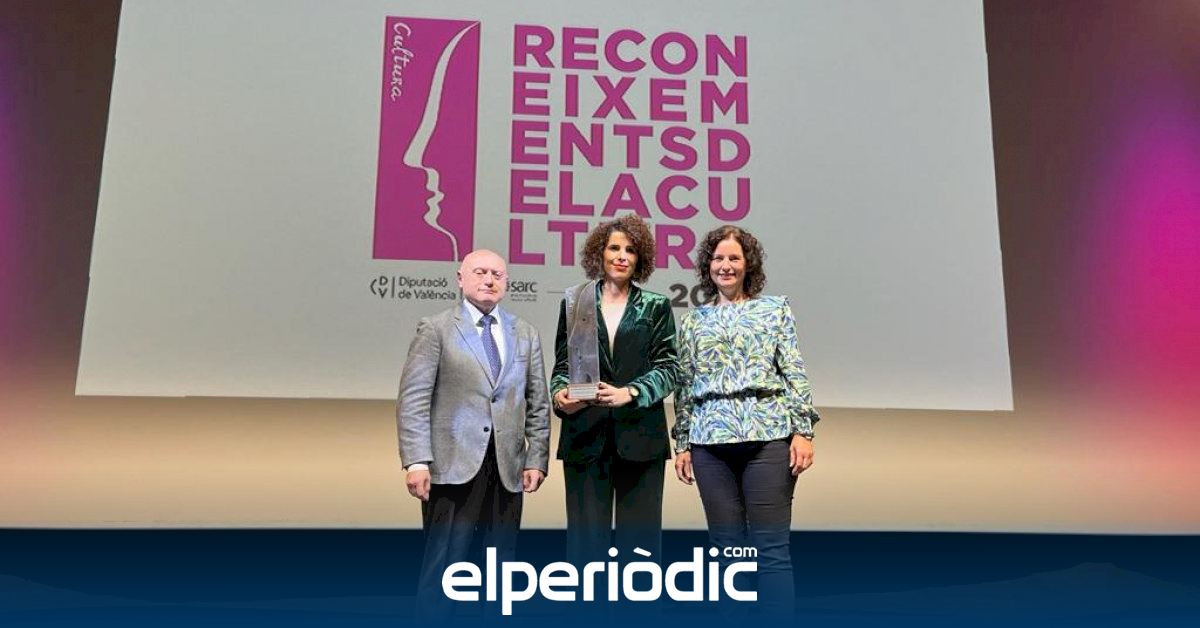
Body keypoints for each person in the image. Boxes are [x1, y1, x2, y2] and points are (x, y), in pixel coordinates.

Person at [672, 226, 819, 616]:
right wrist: (682, 442)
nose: (725, 265)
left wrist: (803, 431)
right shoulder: (693, 321)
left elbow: (793, 371)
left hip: (768, 438)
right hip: (709, 444)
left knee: (771, 551)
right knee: (726, 553)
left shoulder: (774, 309)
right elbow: (685, 383)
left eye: (734, 258)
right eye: (718, 258)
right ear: (707, 266)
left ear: (747, 264)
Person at [397, 249, 551, 620]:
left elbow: (538, 403)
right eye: (480, 272)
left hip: (508, 469)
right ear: (460, 278)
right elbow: (413, 399)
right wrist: (416, 461)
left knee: (500, 566)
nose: (489, 280)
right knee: (444, 567)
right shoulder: (435, 329)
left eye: (497, 274)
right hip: (452, 467)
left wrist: (537, 458)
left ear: (507, 283)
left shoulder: (525, 333)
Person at [551, 214, 679, 566]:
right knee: (585, 548)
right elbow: (562, 366)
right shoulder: (574, 302)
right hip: (584, 436)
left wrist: (631, 392)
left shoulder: (655, 305)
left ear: (640, 259)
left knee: (640, 550)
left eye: (630, 250)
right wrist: (560, 395)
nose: (622, 256)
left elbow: (670, 368)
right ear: (600, 253)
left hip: (641, 438)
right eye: (614, 248)